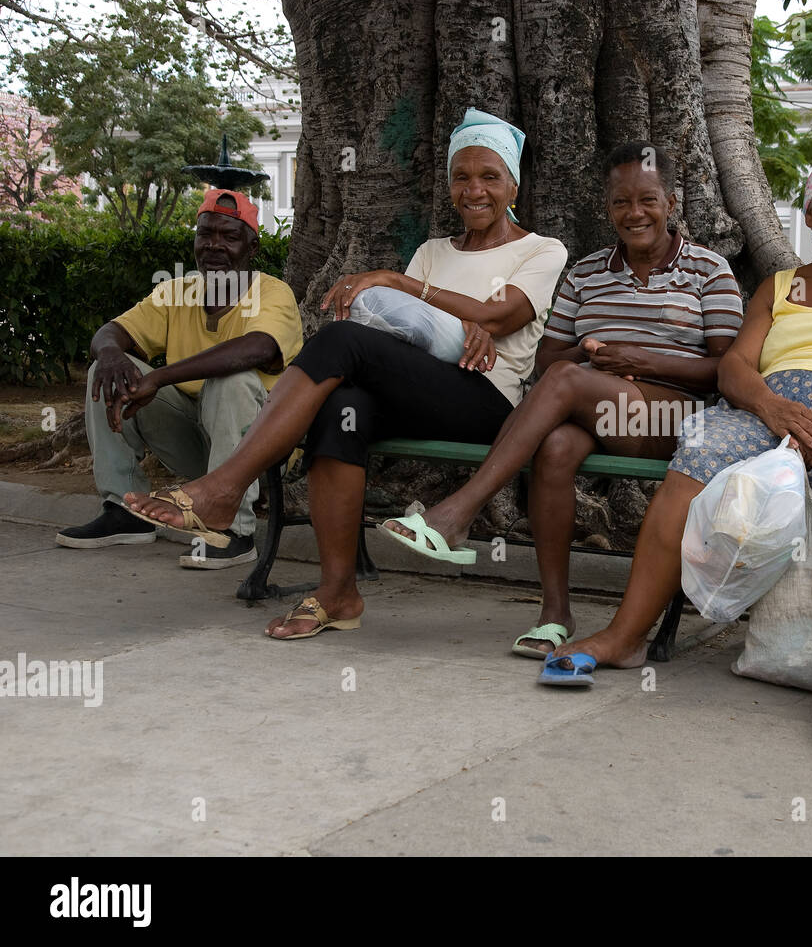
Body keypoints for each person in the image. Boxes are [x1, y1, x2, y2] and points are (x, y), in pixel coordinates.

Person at [123, 108, 568, 638]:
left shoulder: (542, 249)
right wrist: (452, 315)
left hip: (487, 403)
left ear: (513, 183)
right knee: (342, 406)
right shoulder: (432, 251)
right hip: (421, 388)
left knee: (339, 341)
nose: (474, 190)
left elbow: (500, 315)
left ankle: (222, 489)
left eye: (490, 176)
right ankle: (337, 593)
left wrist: (400, 284)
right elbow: (406, 330)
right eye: (461, 176)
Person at [538, 154, 812, 738]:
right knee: (697, 454)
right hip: (771, 407)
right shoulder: (779, 286)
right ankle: (625, 637)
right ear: (809, 210)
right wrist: (772, 407)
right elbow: (735, 367)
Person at [380, 141, 743, 659]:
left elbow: (725, 372)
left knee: (570, 382)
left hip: (674, 418)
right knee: (554, 446)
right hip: (591, 405)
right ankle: (555, 613)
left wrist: (639, 361)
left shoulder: (710, 270)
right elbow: (548, 360)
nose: (634, 213)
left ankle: (458, 512)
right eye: (620, 202)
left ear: (673, 201)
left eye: (647, 200)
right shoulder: (587, 272)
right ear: (607, 206)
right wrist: (590, 352)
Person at [56, 189, 303, 570]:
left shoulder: (273, 293)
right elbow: (112, 331)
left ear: (252, 248)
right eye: (205, 235)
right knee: (106, 372)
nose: (214, 246)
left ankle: (233, 531)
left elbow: (256, 349)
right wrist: (108, 354)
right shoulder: (176, 290)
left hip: (260, 452)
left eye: (229, 237)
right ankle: (126, 511)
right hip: (198, 443)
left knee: (233, 380)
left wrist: (162, 377)